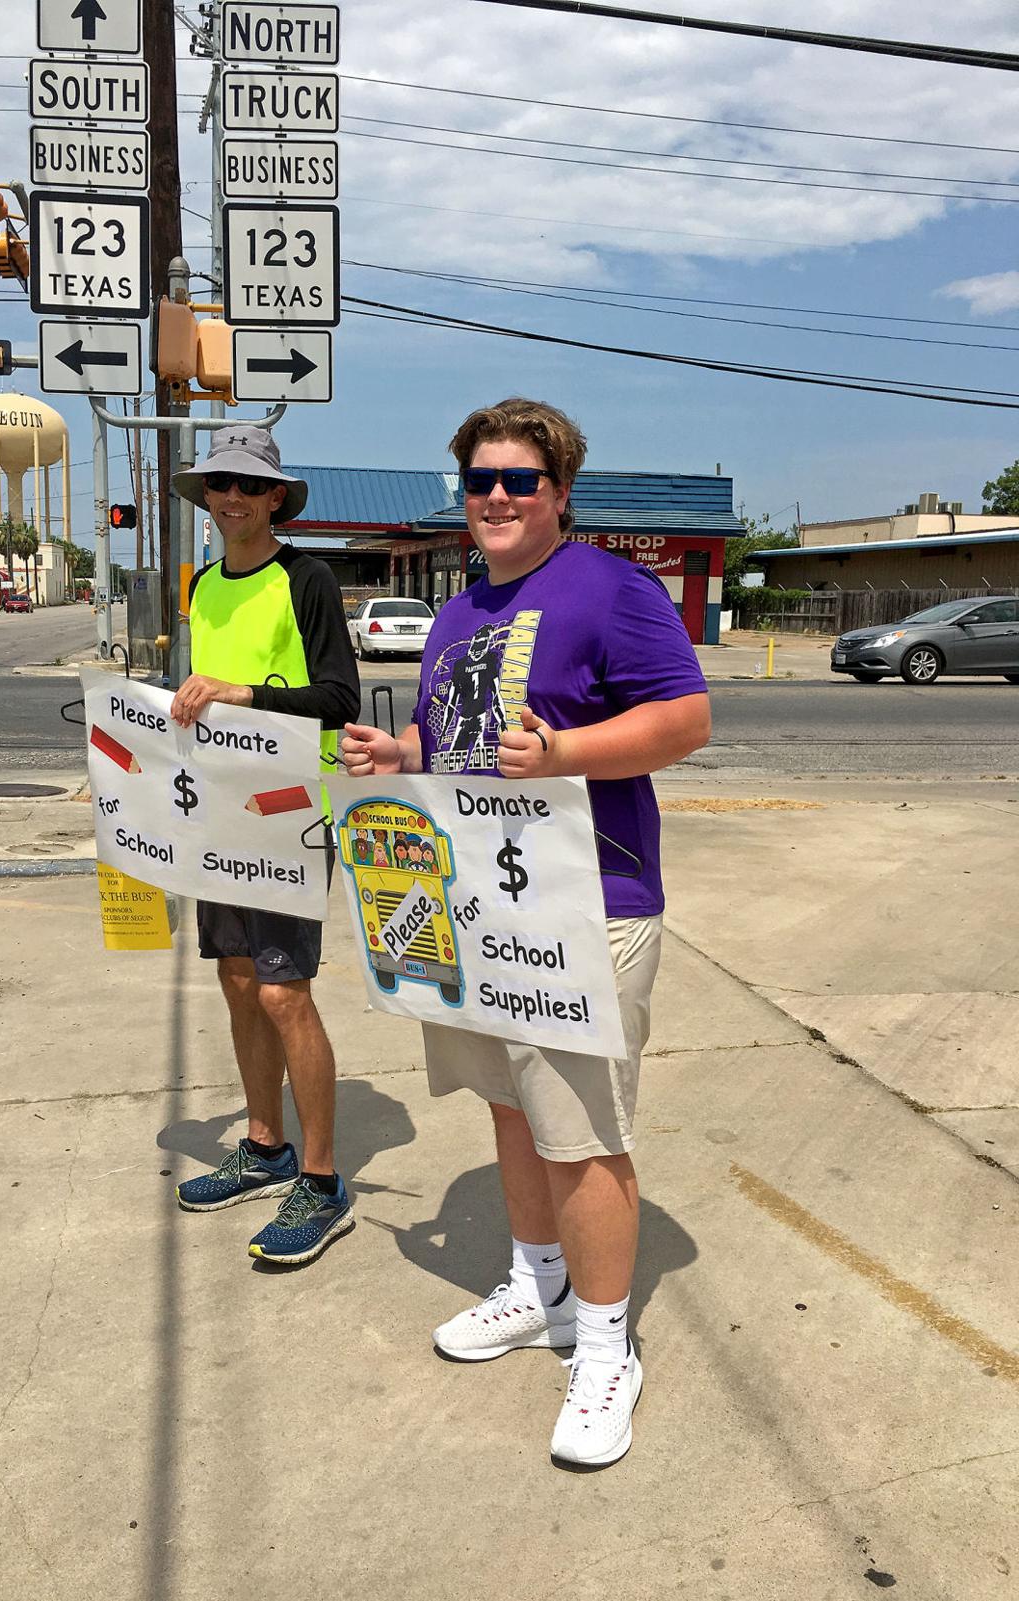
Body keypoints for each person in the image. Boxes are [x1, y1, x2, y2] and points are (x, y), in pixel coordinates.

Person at [343, 398, 711, 1466]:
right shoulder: (461, 612)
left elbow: (684, 719)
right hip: (479, 907)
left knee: (583, 1132)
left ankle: (605, 1348)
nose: (496, 496)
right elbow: (460, 734)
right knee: (510, 1103)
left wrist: (567, 754)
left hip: (592, 905)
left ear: (559, 493)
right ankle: (538, 1281)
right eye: (479, 480)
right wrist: (399, 750)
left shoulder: (611, 589)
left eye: (519, 479)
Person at [170, 427, 360, 1266]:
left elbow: (339, 697)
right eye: (219, 484)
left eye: (249, 485)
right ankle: (263, 1144)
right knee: (238, 979)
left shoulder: (307, 579)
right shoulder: (204, 585)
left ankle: (319, 1181)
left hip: (287, 808)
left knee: (287, 993)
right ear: (206, 496)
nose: (233, 498)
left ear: (276, 496)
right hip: (218, 807)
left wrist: (244, 693)